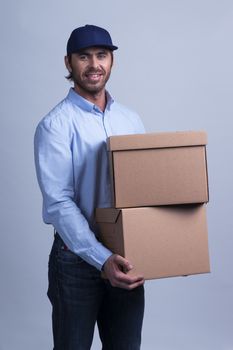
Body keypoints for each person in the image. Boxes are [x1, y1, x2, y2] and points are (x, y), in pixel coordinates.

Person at [34, 24, 145, 350]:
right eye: (84, 56)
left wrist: (157, 249)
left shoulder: (130, 119)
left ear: (111, 61)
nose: (94, 64)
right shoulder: (55, 125)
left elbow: (144, 189)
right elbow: (59, 203)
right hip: (75, 264)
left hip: (125, 259)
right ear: (69, 63)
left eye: (102, 55)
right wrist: (102, 259)